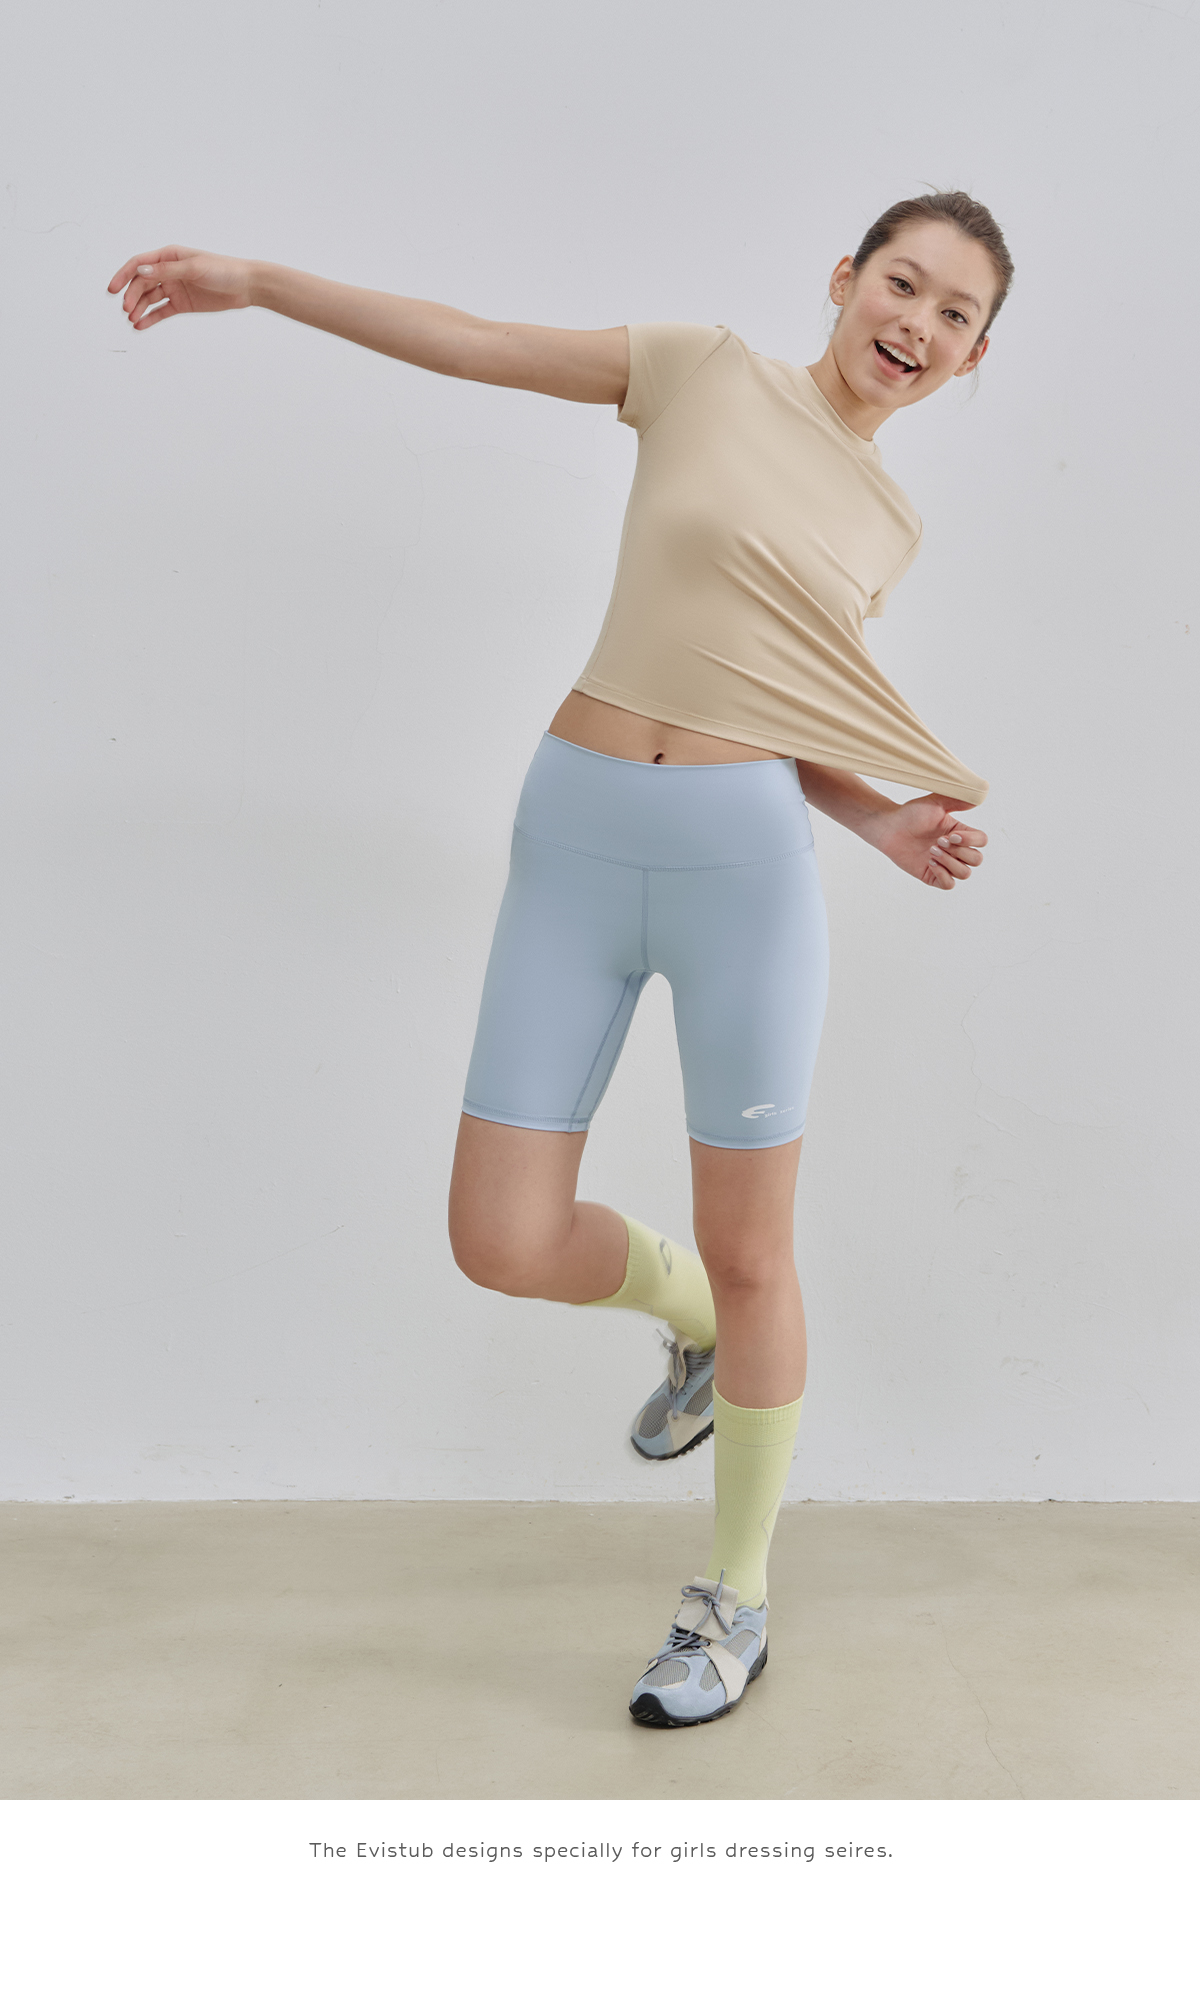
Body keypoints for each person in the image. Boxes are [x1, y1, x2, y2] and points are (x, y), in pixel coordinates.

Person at [109, 189, 1007, 1729]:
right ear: (845, 278)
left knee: (760, 1248)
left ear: (973, 359)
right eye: (903, 284)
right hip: (576, 837)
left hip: (742, 875)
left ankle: (736, 1596)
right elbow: (473, 343)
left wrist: (882, 821)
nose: (916, 324)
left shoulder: (890, 525)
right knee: (501, 1236)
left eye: (956, 315)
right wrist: (257, 280)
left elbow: (778, 701)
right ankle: (692, 1320)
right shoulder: (699, 369)